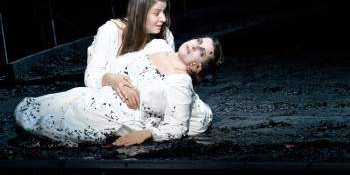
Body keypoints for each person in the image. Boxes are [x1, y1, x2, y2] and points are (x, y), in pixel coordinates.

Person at [14, 36, 224, 147]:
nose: (194, 47)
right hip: (107, 95)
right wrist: (114, 79)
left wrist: (148, 133)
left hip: (123, 113)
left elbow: (176, 127)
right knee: (32, 109)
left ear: (197, 66)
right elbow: (120, 65)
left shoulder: (179, 84)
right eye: (198, 42)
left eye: (201, 52)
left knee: (51, 127)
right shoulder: (158, 45)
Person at [84, 0, 214, 136]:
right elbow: (90, 76)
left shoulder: (164, 35)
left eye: (164, 12)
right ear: (140, 14)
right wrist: (113, 79)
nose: (163, 19)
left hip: (146, 109)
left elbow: (170, 84)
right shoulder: (110, 31)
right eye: (157, 13)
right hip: (112, 100)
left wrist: (192, 76)